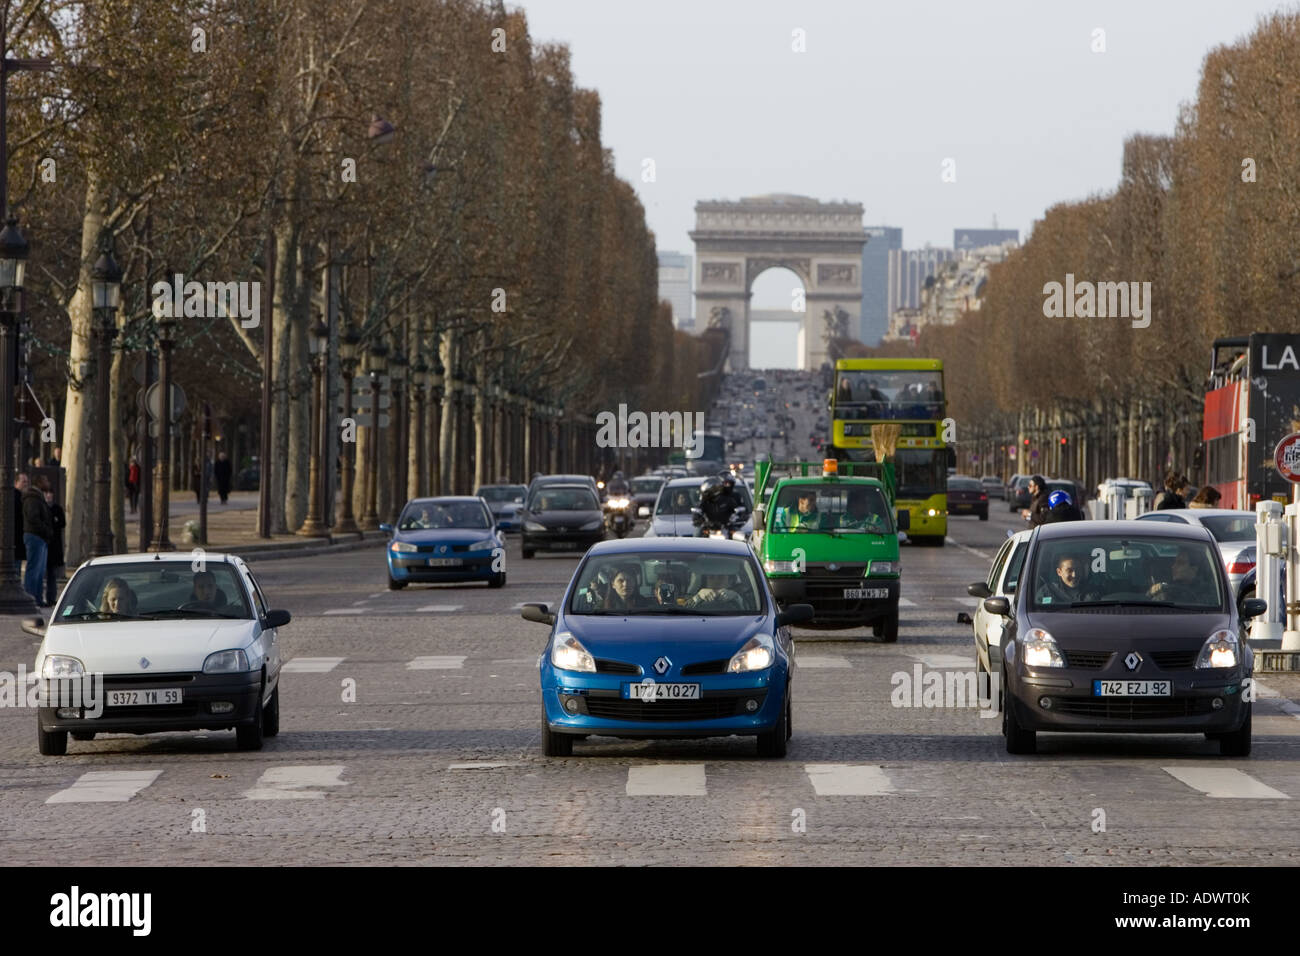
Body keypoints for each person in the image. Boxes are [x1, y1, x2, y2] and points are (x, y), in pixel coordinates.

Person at [21, 474, 51, 604]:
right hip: (35, 536)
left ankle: (37, 598)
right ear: (39, 483)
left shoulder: (37, 497)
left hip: (40, 537)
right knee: (34, 569)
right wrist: (45, 529)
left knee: (39, 571)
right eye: (45, 480)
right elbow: (33, 517)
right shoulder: (33, 498)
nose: (48, 483)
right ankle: (31, 597)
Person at [44, 486, 65, 608]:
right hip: (45, 543)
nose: (48, 495)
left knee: (52, 574)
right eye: (46, 493)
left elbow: (62, 523)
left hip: (54, 545)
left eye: (50, 493)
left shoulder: (57, 508)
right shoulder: (43, 507)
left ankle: (51, 598)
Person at [12, 472, 25, 566]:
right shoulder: (15, 497)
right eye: (23, 481)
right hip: (14, 539)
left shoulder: (21, 496)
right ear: (16, 482)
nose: (26, 484)